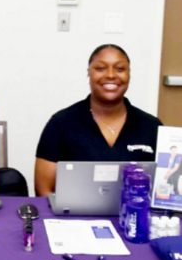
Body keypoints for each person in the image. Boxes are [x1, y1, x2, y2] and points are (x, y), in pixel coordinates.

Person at [35, 44, 163, 197]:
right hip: (74, 218)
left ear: (129, 75)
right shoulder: (61, 123)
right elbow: (44, 190)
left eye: (120, 69)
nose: (110, 75)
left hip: (134, 217)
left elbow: (163, 187)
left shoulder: (152, 126)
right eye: (100, 68)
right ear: (89, 73)